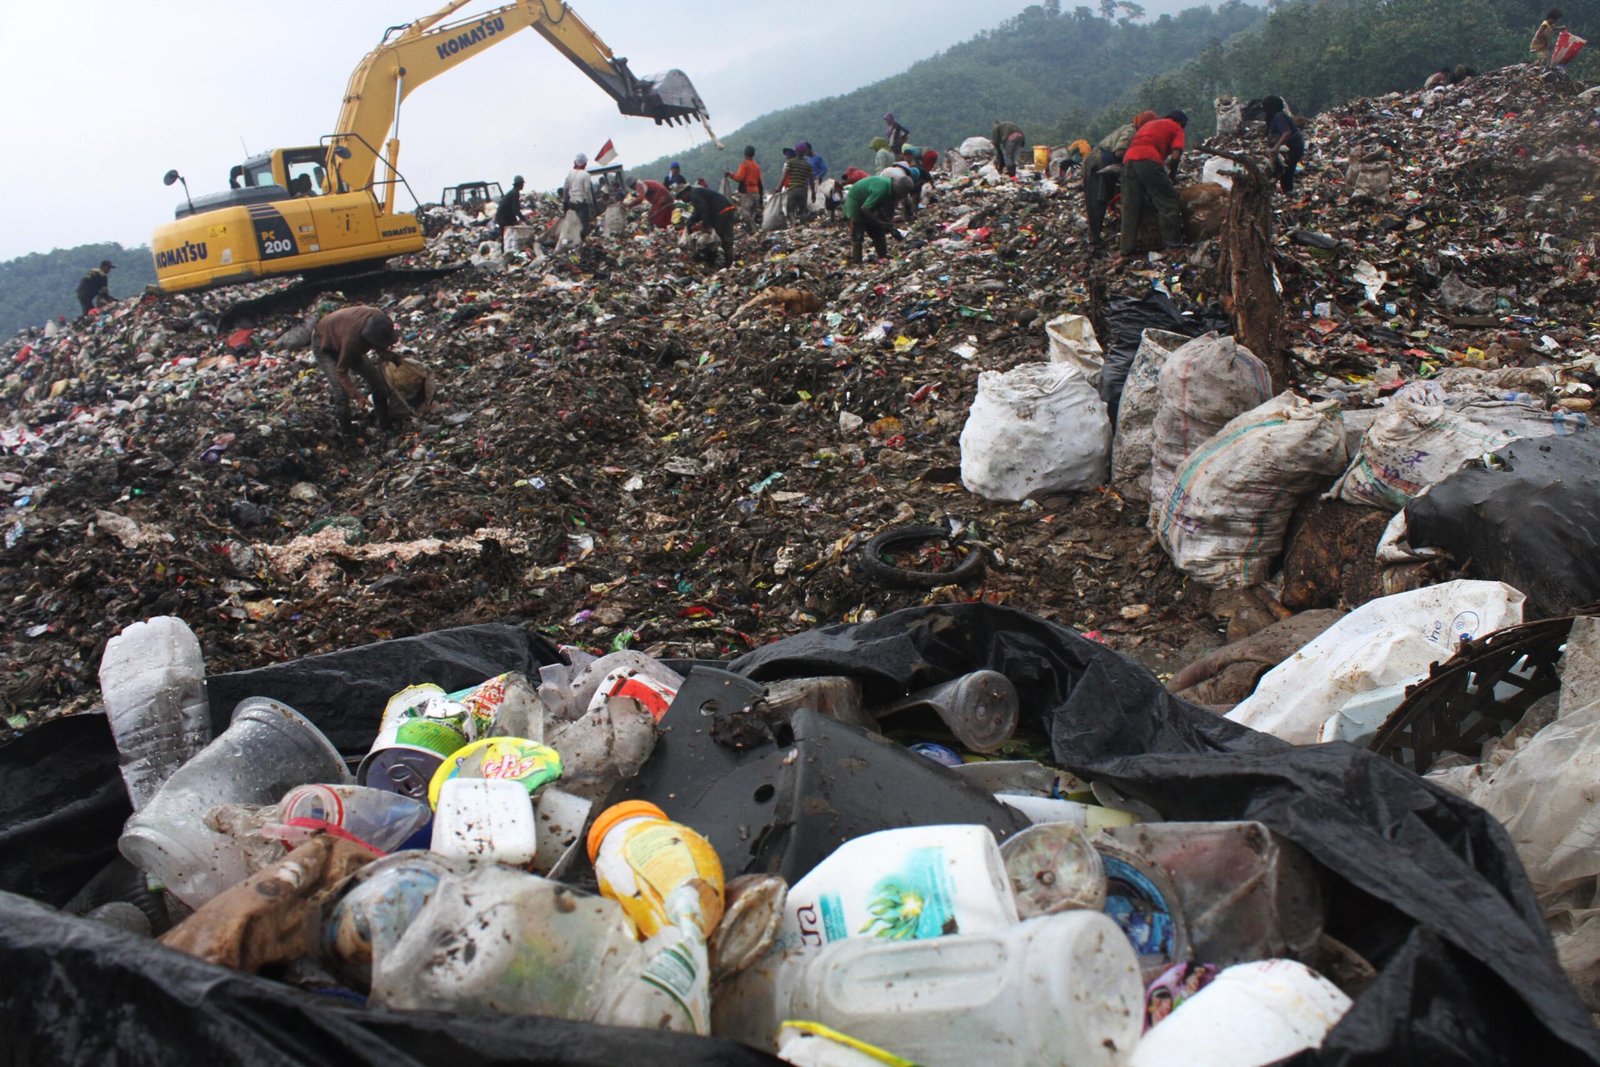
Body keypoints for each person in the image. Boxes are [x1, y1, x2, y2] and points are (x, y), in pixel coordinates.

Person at [312, 306, 408, 435]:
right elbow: (341, 371)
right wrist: (357, 396)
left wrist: (391, 357)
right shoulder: (353, 342)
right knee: (342, 395)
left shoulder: (379, 318)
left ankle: (385, 426)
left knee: (378, 384)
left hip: (343, 333)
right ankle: (349, 439)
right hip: (324, 342)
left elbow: (380, 343)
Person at [1119, 109, 1188, 259]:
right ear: (1182, 123)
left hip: (1128, 161)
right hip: (1149, 159)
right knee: (1168, 200)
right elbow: (1176, 155)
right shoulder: (1177, 128)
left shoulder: (1149, 125)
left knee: (1130, 205)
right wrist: (1172, 175)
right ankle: (1171, 242)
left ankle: (1126, 248)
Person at [1082, 111, 1155, 250]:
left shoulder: (1135, 132)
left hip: (1103, 162)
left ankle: (1096, 236)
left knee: (1101, 199)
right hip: (1099, 162)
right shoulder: (1130, 130)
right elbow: (1119, 151)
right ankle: (1094, 238)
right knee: (1097, 200)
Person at [676, 184, 738, 269]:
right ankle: (723, 264)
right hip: (723, 212)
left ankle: (727, 266)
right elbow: (698, 212)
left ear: (686, 192)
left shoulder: (695, 195)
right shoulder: (697, 193)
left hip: (723, 212)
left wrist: (705, 226)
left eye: (681, 197)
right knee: (721, 239)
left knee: (724, 240)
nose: (682, 200)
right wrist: (690, 222)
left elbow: (704, 210)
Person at [843, 174, 899, 264]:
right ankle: (857, 263)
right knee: (857, 235)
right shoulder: (883, 189)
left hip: (867, 204)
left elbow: (878, 207)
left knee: (878, 232)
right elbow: (865, 208)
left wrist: (887, 224)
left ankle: (883, 256)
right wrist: (879, 222)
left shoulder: (889, 189)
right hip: (855, 203)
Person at [1262, 96, 1305, 195]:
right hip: (1292, 147)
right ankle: (1287, 192)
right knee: (1285, 173)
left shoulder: (1279, 116)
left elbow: (1286, 133)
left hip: (1293, 147)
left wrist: (1275, 148)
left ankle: (1288, 193)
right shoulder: (1275, 117)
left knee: (1286, 173)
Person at [723, 145, 765, 230]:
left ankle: (754, 230)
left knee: (745, 213)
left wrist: (730, 175)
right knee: (752, 213)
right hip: (756, 192)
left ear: (745, 154)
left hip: (747, 192)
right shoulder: (756, 166)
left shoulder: (744, 164)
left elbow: (739, 178)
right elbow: (760, 180)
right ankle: (754, 231)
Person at [561, 154, 595, 238]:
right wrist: (591, 205)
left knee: (572, 224)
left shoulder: (570, 173)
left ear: (575, 162)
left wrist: (565, 203)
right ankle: (581, 241)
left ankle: (570, 239)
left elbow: (565, 189)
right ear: (585, 164)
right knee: (584, 227)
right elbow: (587, 191)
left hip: (571, 203)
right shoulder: (586, 174)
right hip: (581, 204)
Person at [780, 144, 814, 222]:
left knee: (790, 211)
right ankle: (801, 227)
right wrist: (813, 193)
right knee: (802, 211)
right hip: (803, 190)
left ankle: (794, 222)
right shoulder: (808, 165)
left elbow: (784, 176)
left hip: (793, 189)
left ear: (796, 151)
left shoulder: (790, 162)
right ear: (805, 152)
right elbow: (811, 180)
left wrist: (778, 188)